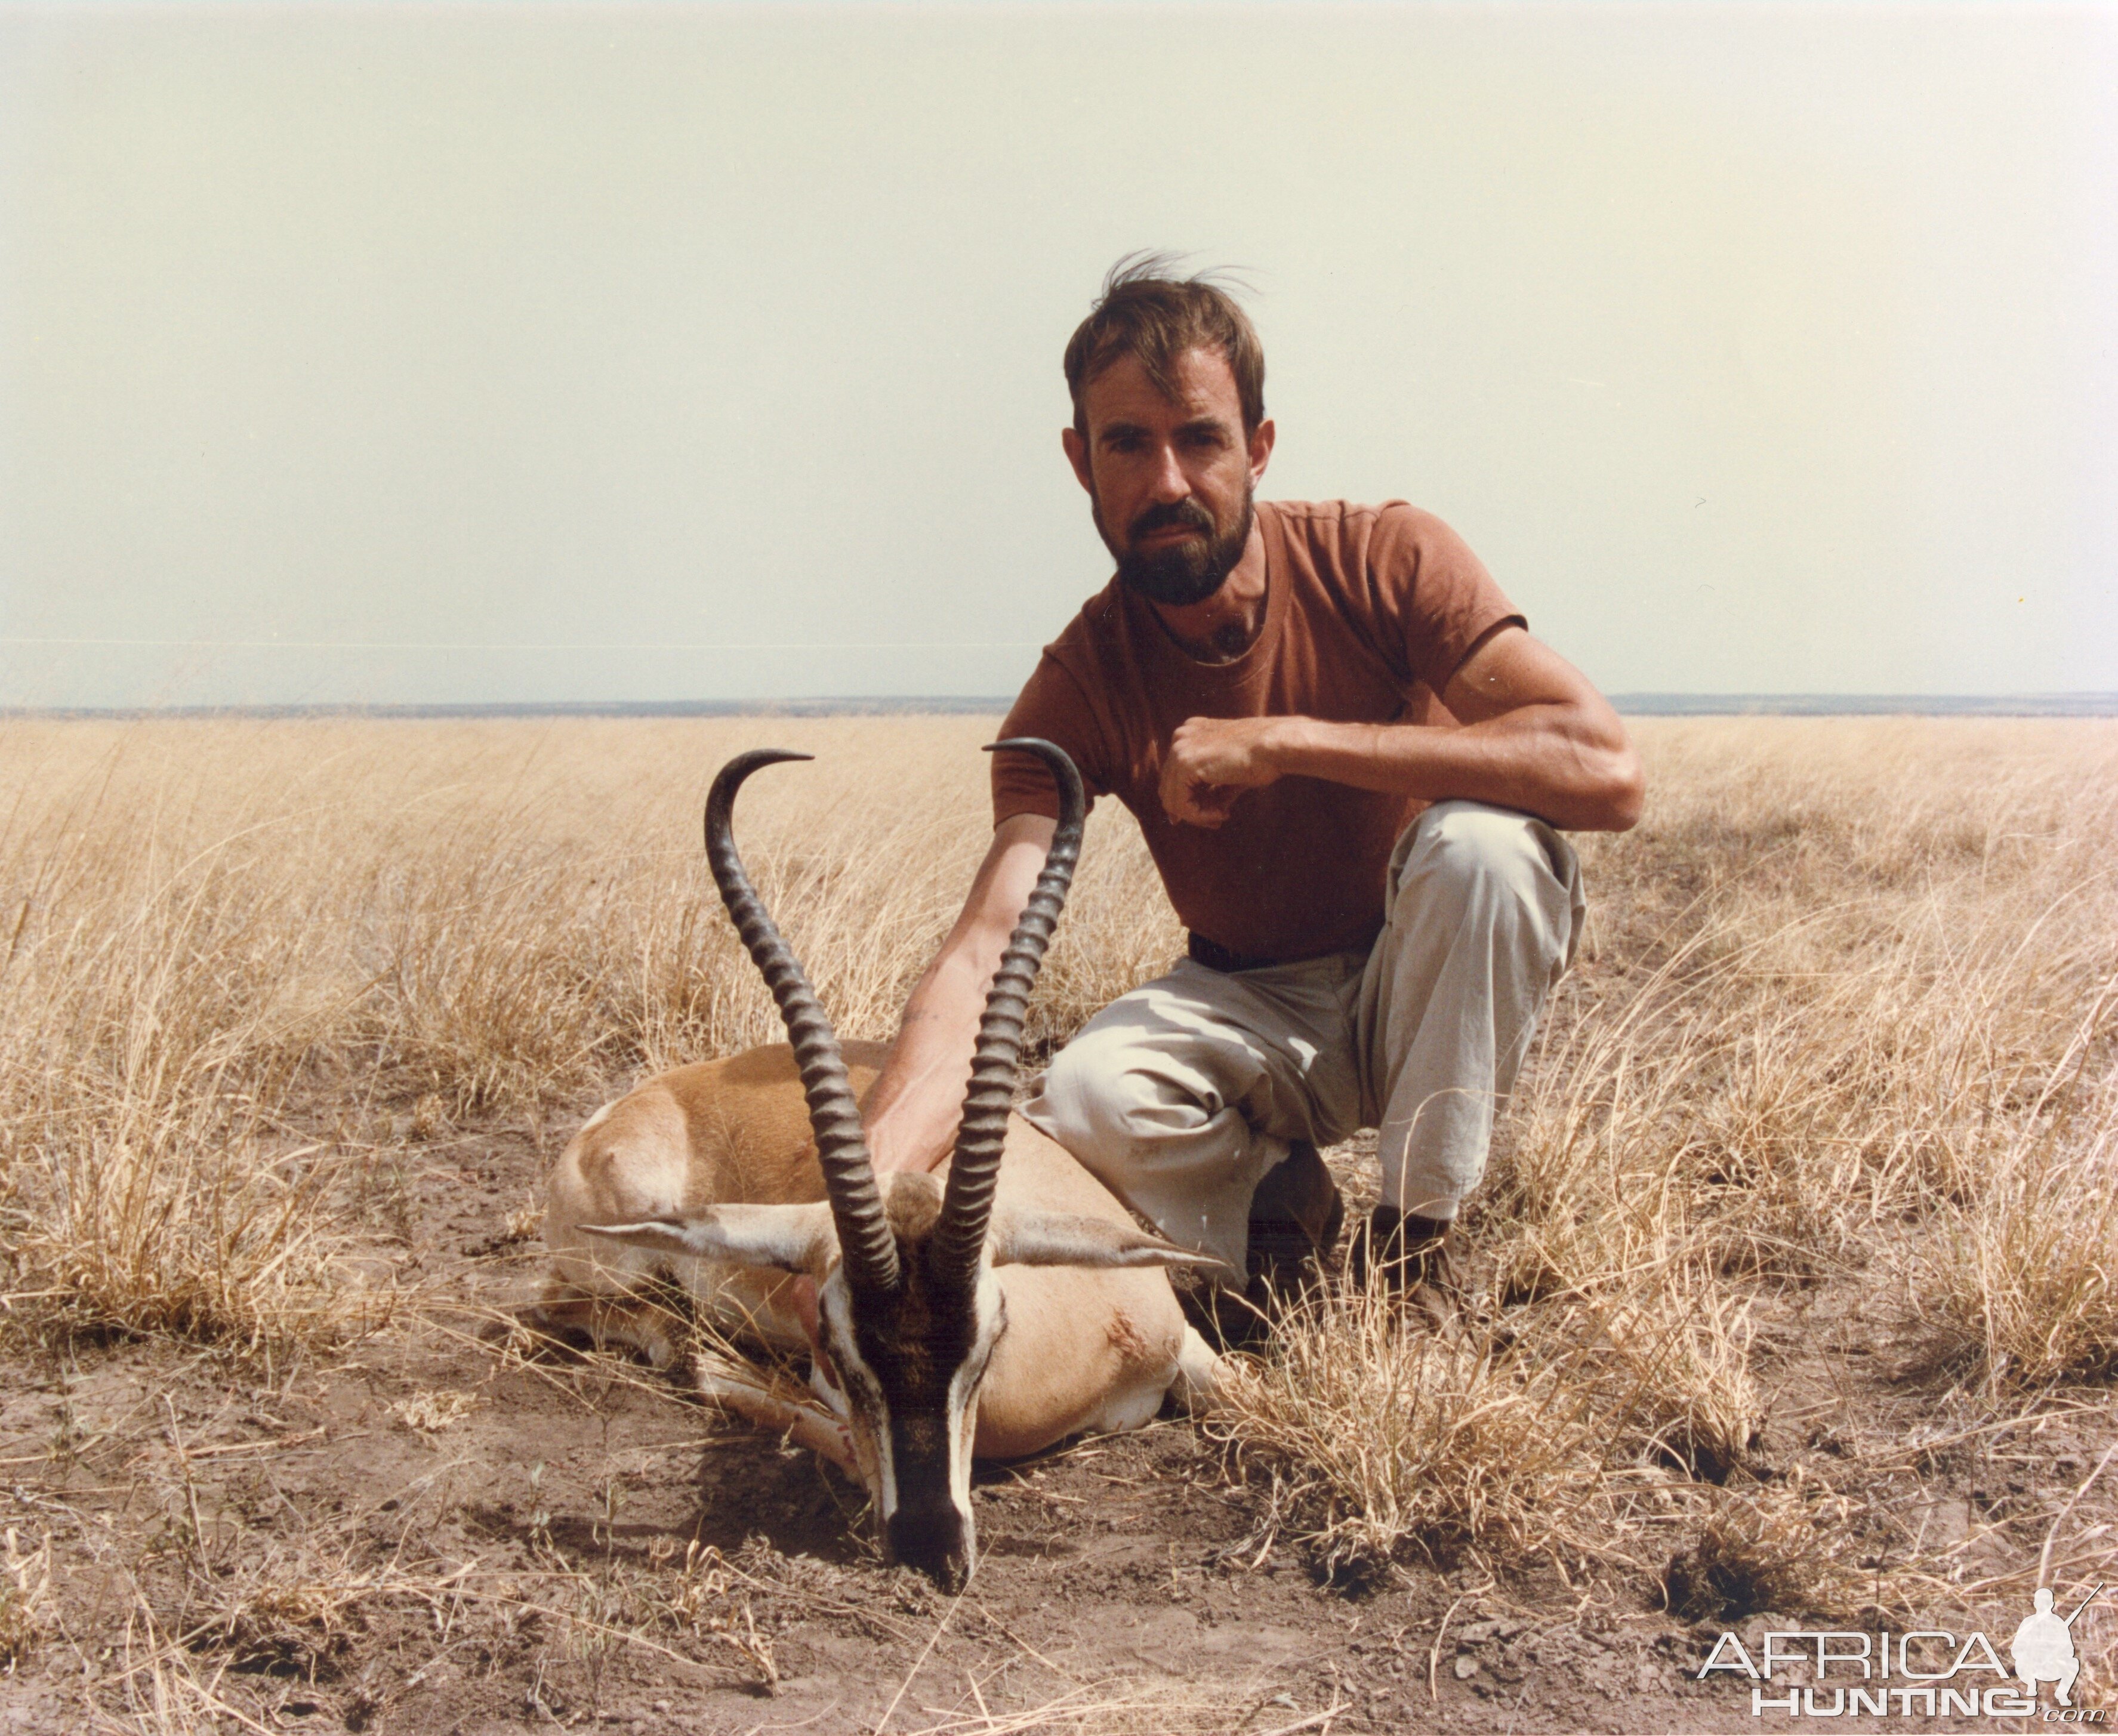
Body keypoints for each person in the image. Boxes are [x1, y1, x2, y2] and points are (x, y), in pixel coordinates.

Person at [861, 255, 1644, 1325]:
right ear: (1079, 462)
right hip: (1252, 1000)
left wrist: (1288, 741)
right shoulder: (1076, 685)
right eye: (1127, 444)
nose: (1167, 483)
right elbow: (985, 947)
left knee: (1485, 855)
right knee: (1088, 1093)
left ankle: (1416, 1253)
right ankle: (1286, 1211)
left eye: (1200, 439)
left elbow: (1605, 769)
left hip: (1423, 974)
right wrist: (852, 1206)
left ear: (1259, 448)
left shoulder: (1385, 554)